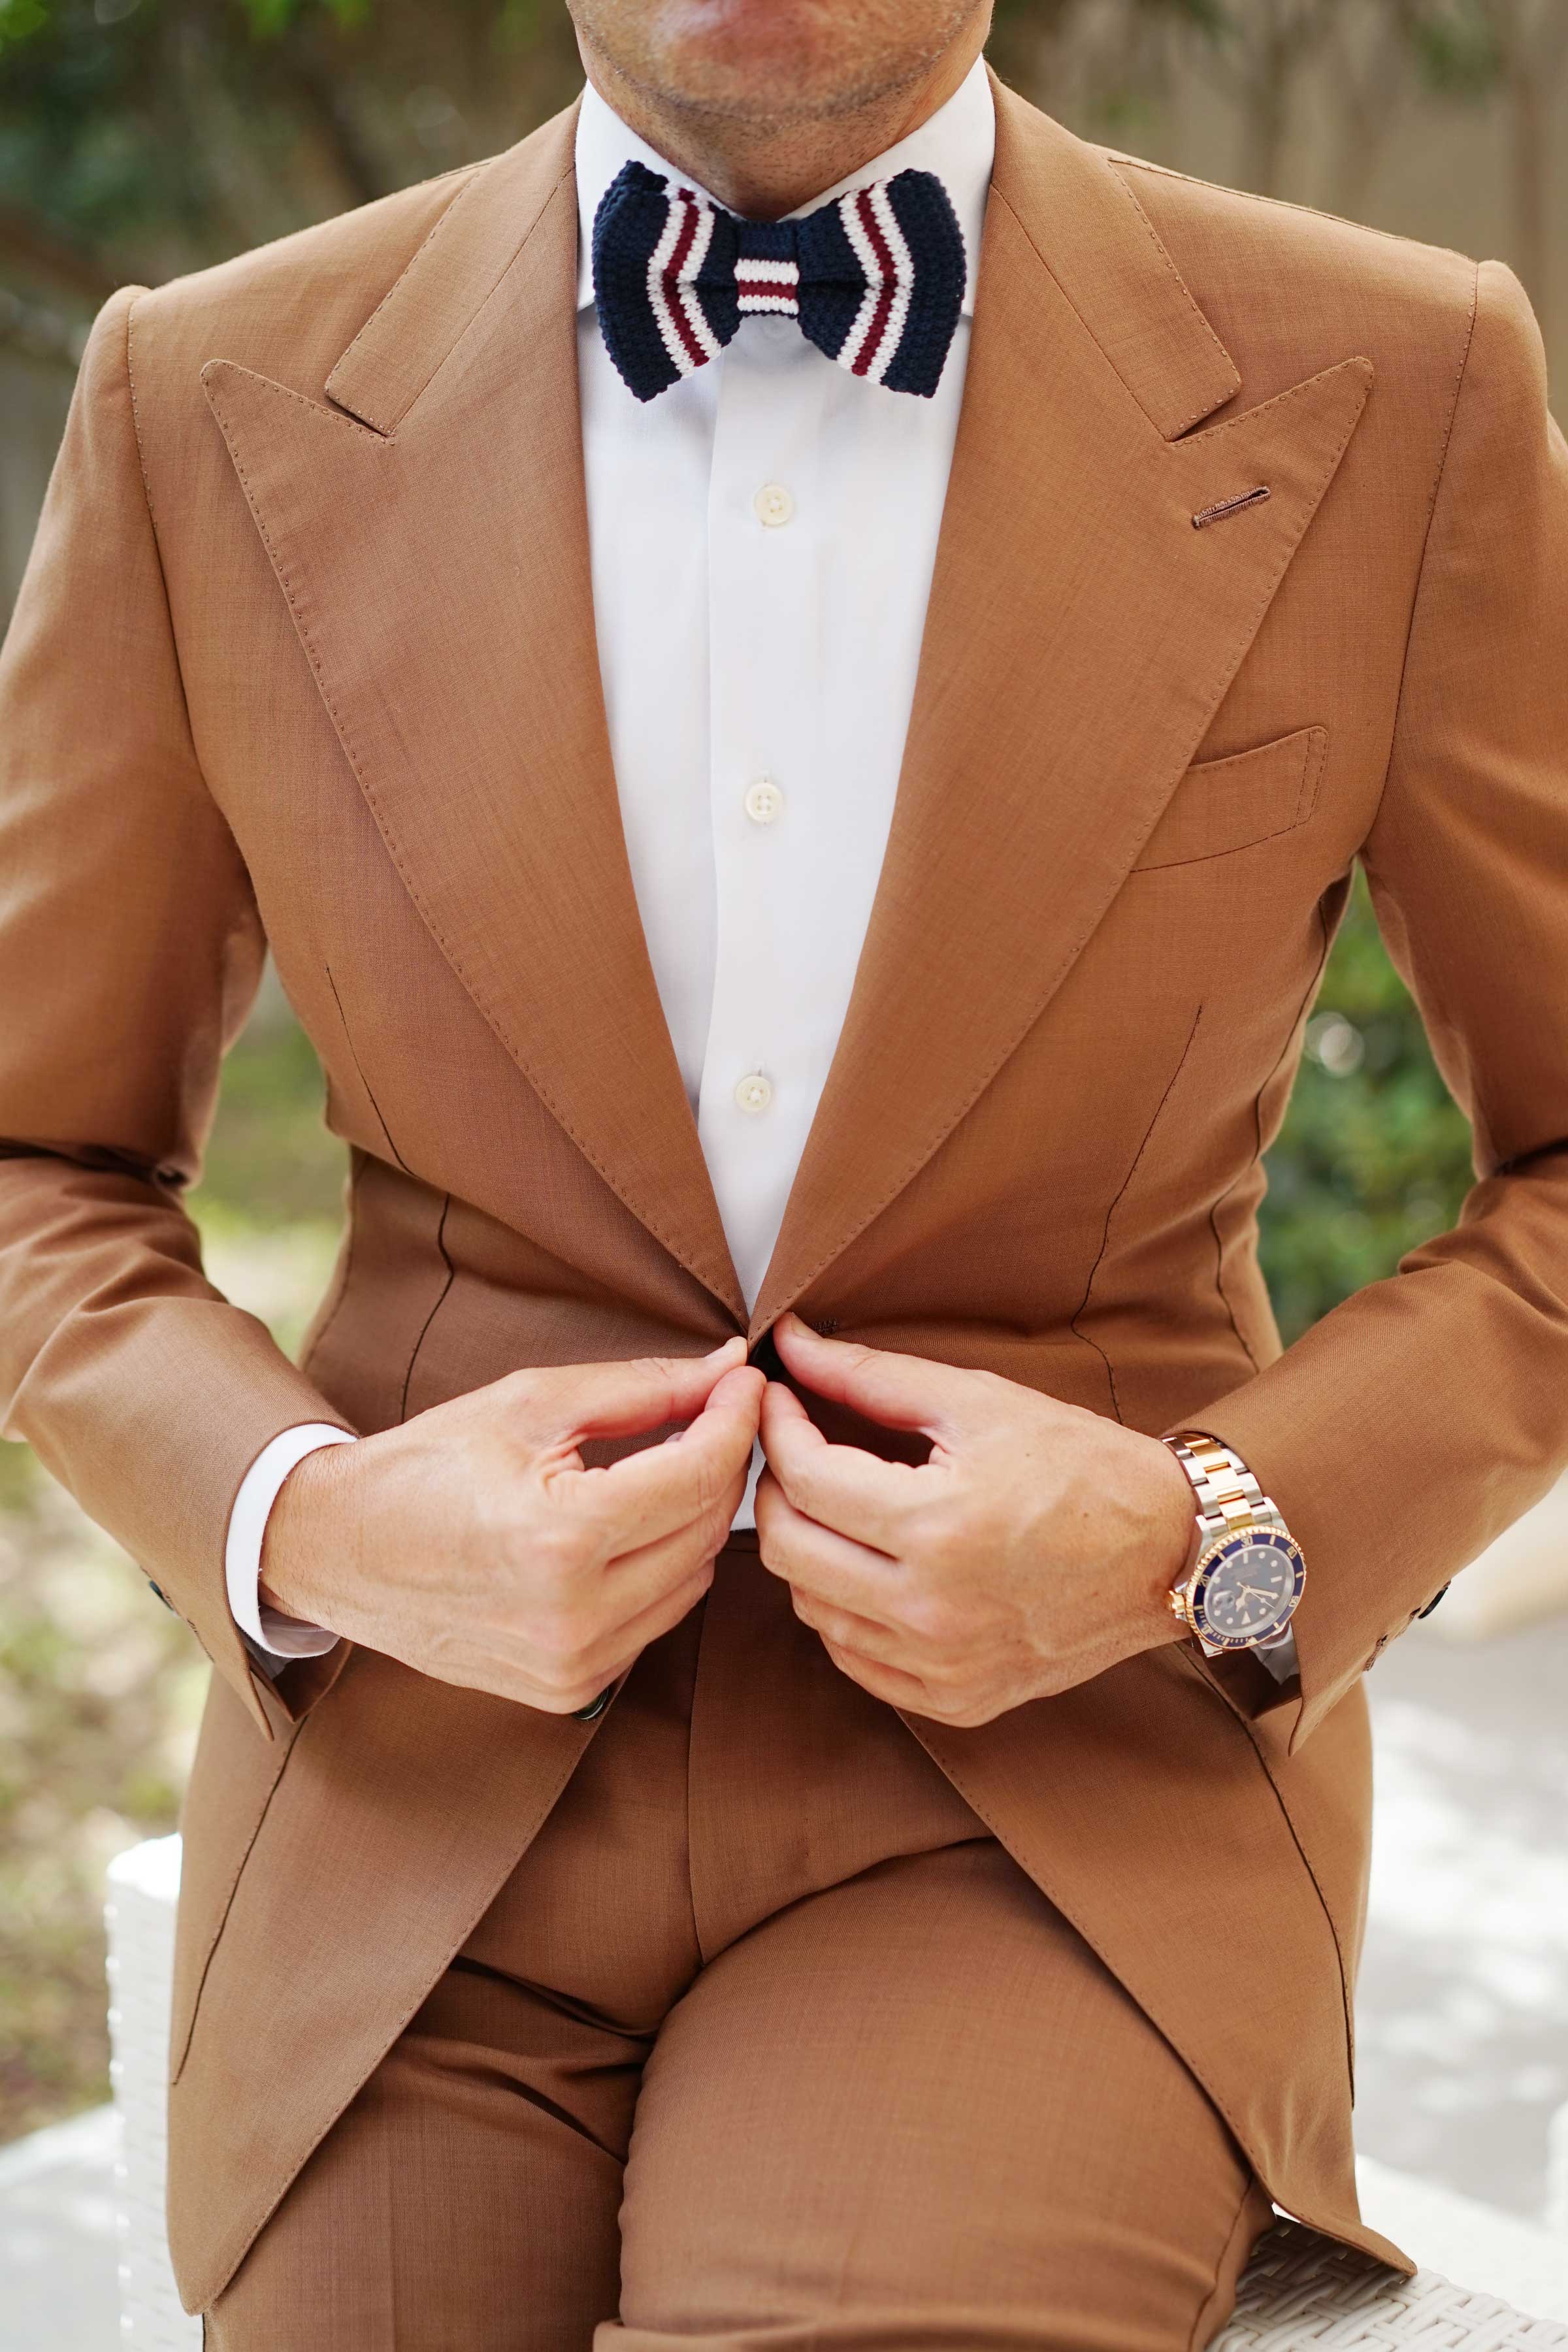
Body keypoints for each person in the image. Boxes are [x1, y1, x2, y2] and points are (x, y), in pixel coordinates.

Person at [1, 0, 1565, 2340]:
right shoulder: (196, 395)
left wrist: (1202, 1531)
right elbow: (36, 1150)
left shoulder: (1397, 374)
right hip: (422, 1797)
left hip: (1056, 1784)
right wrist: (309, 1519)